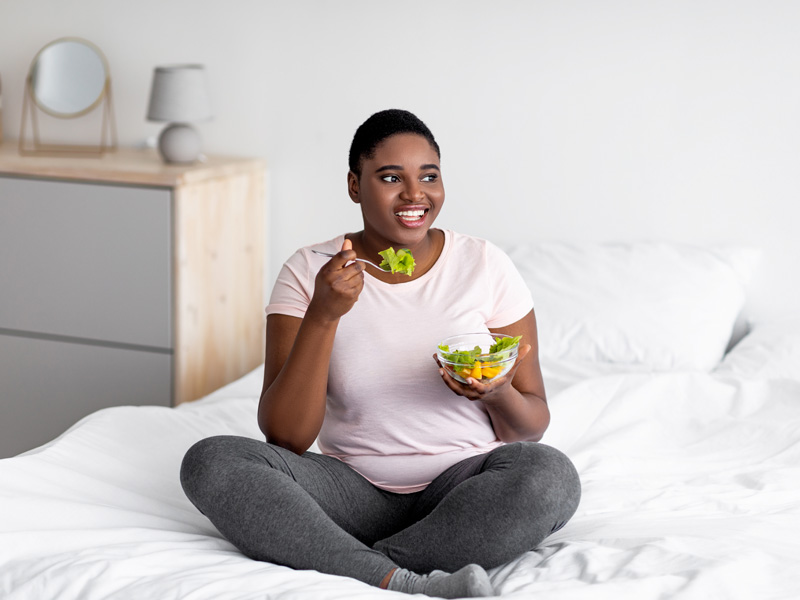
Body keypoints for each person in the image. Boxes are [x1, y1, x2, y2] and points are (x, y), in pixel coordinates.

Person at [180, 109, 581, 598]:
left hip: (463, 487)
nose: (415, 195)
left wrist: (497, 396)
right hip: (350, 490)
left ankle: (363, 566)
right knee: (211, 460)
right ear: (354, 185)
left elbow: (532, 424)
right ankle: (400, 578)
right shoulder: (310, 271)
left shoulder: (484, 264)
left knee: (549, 476)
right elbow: (285, 436)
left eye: (428, 177)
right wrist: (324, 316)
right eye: (391, 177)